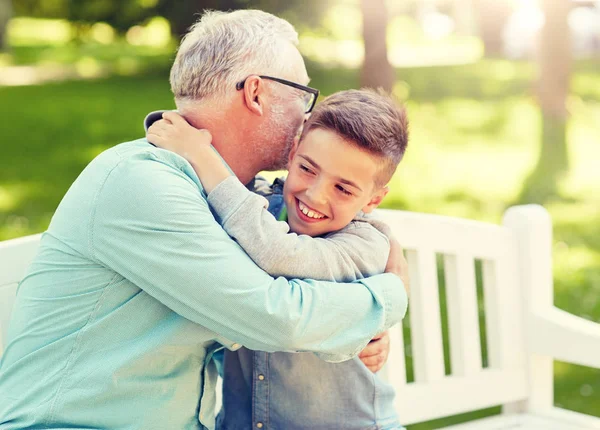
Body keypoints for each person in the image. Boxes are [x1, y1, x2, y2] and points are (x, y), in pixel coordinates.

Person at [0, 9, 409, 430]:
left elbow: (321, 258)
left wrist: (372, 264)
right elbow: (274, 318)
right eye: (302, 95)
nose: (307, 117)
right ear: (256, 93)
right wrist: (388, 297)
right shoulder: (144, 183)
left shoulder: (234, 196)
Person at [146, 88, 409, 429]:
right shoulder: (259, 205)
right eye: (308, 169)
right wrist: (186, 139)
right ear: (293, 152)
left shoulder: (367, 245)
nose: (315, 195)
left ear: (374, 200)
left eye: (343, 189)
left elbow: (278, 253)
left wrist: (201, 155)